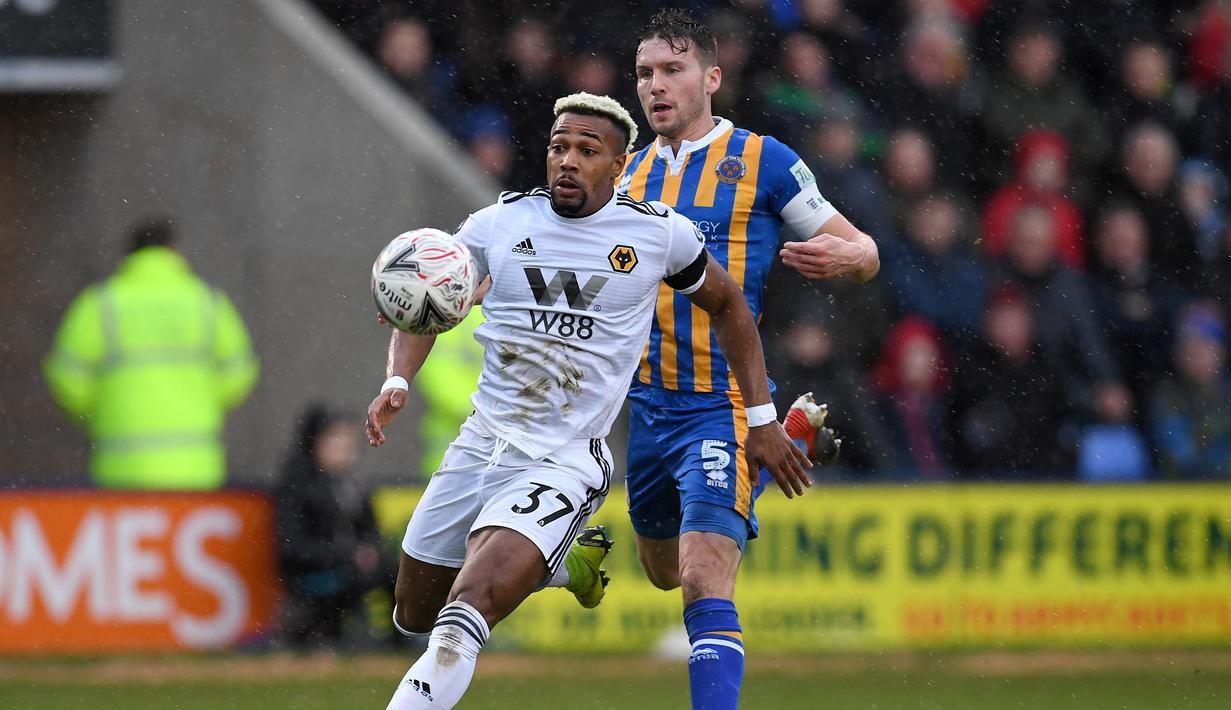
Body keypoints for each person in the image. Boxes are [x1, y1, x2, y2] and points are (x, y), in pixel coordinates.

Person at [364, 93, 809, 710]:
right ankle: (562, 567)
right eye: (558, 148)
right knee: (414, 612)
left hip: (565, 460)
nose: (567, 162)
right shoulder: (499, 223)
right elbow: (430, 303)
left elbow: (730, 306)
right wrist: (397, 382)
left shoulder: (657, 235)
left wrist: (760, 417)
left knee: (463, 615)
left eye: (586, 151)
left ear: (619, 166)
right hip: (479, 445)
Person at [620, 10, 879, 708]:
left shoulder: (765, 161)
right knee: (663, 571)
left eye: (671, 70)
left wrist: (850, 255)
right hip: (647, 406)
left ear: (710, 77)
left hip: (726, 401)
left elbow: (866, 251)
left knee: (704, 577)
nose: (655, 86)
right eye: (645, 73)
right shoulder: (625, 173)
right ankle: (788, 444)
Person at [43, 218, 258, 489]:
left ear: (130, 255)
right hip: (195, 466)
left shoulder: (101, 304)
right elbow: (241, 370)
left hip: (121, 466)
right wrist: (207, 401)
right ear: (174, 250)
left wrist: (98, 411)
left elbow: (66, 376)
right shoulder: (206, 302)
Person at [275, 405, 387, 650]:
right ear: (315, 444)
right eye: (337, 444)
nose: (346, 454)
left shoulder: (354, 486)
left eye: (349, 446)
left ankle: (403, 638)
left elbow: (372, 532)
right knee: (356, 575)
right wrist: (348, 554)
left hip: (351, 566)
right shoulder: (297, 488)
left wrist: (370, 552)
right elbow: (293, 548)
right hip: (315, 573)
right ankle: (322, 633)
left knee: (399, 571)